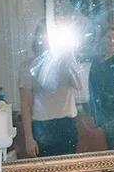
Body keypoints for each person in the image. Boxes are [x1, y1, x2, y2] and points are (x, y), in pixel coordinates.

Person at [20, 19, 84, 158]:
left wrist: (69, 55)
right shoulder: (28, 66)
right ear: (39, 38)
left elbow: (79, 85)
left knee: (69, 170)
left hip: (67, 124)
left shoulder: (67, 62)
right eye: (46, 35)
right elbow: (26, 105)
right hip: (42, 126)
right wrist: (29, 139)